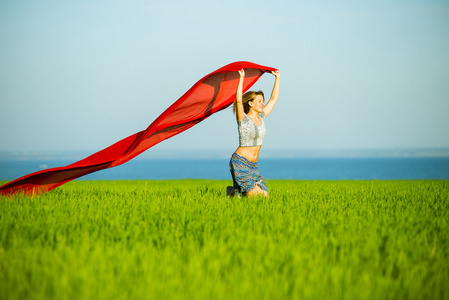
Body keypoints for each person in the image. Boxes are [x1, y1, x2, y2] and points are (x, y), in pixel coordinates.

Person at [227, 68, 280, 197]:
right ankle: (235, 191)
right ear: (250, 103)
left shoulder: (262, 117)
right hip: (240, 161)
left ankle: (233, 192)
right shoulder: (243, 119)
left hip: (253, 165)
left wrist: (277, 78)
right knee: (253, 196)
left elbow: (273, 99)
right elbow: (239, 100)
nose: (262, 103)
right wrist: (241, 79)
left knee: (265, 196)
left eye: (263, 101)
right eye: (259, 101)